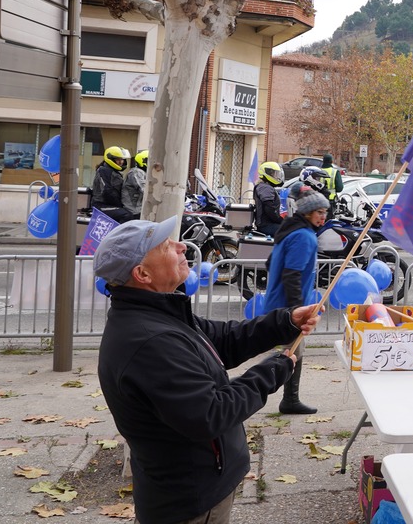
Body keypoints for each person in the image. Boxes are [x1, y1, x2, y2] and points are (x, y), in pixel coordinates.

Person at [96, 217, 321, 524]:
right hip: (190, 500)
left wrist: (285, 322)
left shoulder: (161, 314)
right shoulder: (150, 339)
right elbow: (210, 413)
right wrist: (273, 370)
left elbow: (223, 341)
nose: (180, 247)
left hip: (200, 485)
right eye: (166, 246)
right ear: (143, 274)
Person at [257, 184, 329, 414]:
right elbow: (292, 274)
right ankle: (247, 392)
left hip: (278, 303)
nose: (323, 216)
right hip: (287, 307)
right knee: (289, 354)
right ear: (308, 213)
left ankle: (290, 399)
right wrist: (297, 309)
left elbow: (271, 265)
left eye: (325, 212)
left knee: (294, 352)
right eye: (320, 212)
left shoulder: (288, 230)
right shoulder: (304, 237)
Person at [92, 146, 134, 223]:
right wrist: (120, 205)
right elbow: (108, 191)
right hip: (101, 206)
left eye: (122, 159)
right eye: (118, 159)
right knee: (127, 215)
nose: (121, 162)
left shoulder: (113, 172)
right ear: (110, 159)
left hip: (109, 205)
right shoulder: (104, 171)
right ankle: (119, 235)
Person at [253, 160, 286, 237]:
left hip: (266, 223)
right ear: (266, 174)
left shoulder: (265, 187)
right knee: (290, 232)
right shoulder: (265, 188)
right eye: (273, 174)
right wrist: (281, 221)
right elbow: (269, 209)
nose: (275, 176)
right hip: (266, 225)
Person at [121, 150, 148, 220]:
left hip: (139, 209)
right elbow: (145, 189)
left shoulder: (143, 173)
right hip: (133, 210)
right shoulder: (136, 172)